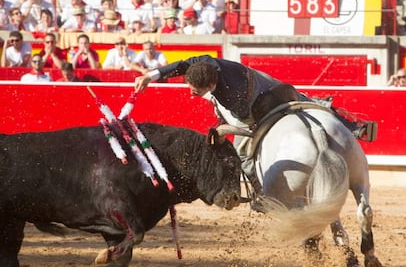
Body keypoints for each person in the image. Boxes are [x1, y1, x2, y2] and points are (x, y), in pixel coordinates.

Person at [134, 55, 378, 188]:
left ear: (210, 86)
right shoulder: (208, 63)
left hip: (254, 108)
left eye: (194, 89)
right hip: (270, 83)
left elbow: (241, 121)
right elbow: (183, 64)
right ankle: (351, 127)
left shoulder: (230, 97)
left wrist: (222, 127)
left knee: (245, 154)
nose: (190, 92)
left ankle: (259, 192)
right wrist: (152, 75)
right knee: (307, 101)